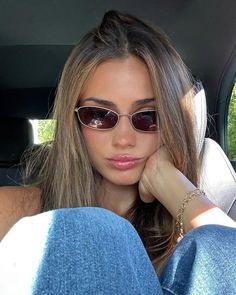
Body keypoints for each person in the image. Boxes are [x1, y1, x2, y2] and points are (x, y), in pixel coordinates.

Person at [0, 10, 236, 294]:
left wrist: (172, 184)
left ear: (173, 122)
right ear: (75, 124)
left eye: (149, 116)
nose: (124, 139)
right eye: (99, 115)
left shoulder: (191, 234)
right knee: (96, 229)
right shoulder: (10, 209)